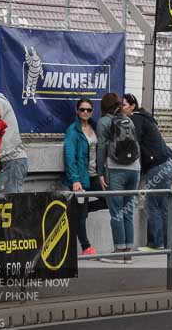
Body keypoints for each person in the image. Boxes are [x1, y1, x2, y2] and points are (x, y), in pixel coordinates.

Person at [123, 93, 172, 252]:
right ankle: (167, 244)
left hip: (158, 166)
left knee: (152, 205)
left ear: (132, 106)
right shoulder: (146, 118)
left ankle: (155, 244)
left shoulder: (135, 119)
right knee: (164, 207)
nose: (121, 108)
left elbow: (135, 142)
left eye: (124, 105)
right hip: (167, 163)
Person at [96, 92, 140, 263]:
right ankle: (128, 253)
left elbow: (101, 148)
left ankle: (117, 251)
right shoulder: (128, 120)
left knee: (116, 212)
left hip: (116, 169)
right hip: (134, 169)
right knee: (128, 211)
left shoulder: (104, 122)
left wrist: (100, 172)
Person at [63, 98, 107, 256]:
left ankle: (79, 210)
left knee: (108, 200)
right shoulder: (72, 130)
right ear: (77, 111)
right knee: (80, 216)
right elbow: (69, 156)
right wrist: (75, 179)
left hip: (95, 175)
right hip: (80, 178)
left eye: (88, 110)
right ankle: (86, 247)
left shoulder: (95, 127)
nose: (85, 112)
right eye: (82, 109)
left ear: (92, 111)